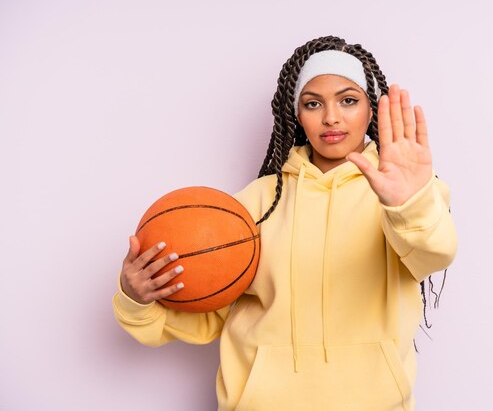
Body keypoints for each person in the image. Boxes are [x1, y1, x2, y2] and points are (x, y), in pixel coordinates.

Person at [113, 35, 458, 411]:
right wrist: (137, 298)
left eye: (348, 100)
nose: (331, 117)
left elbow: (434, 253)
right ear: (296, 115)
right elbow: (208, 316)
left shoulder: (406, 193)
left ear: (371, 110)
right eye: (313, 104)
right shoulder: (256, 202)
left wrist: (407, 204)